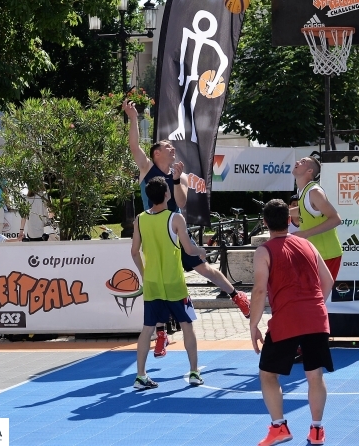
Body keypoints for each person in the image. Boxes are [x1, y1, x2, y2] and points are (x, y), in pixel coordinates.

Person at [123, 100, 250, 318]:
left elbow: (181, 203)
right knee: (156, 278)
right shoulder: (147, 168)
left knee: (203, 268)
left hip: (173, 228)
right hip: (152, 228)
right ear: (156, 154)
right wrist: (133, 117)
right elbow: (134, 146)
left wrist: (174, 181)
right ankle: (161, 329)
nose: (173, 148)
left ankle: (236, 295)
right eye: (167, 147)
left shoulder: (179, 176)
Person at [250, 199, 334, 446]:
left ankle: (279, 427)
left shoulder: (264, 251)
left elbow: (258, 291)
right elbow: (327, 281)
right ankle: (317, 430)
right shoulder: (307, 245)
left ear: (265, 223)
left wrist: (253, 325)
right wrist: (315, 305)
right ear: (289, 219)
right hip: (316, 316)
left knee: (267, 375)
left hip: (287, 318)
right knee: (314, 375)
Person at [130, 176, 208, 389]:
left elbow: (134, 252)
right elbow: (189, 249)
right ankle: (193, 372)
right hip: (174, 282)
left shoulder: (140, 219)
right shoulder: (175, 219)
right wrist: (203, 252)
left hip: (153, 282)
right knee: (187, 326)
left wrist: (144, 274)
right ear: (167, 194)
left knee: (147, 329)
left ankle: (140, 375)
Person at [290, 156, 343, 280]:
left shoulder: (314, 192)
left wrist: (305, 233)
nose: (297, 161)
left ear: (310, 171)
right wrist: (280, 213)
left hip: (327, 255)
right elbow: (305, 209)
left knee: (317, 298)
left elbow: (336, 219)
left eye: (303, 162)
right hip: (314, 254)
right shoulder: (302, 191)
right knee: (311, 297)